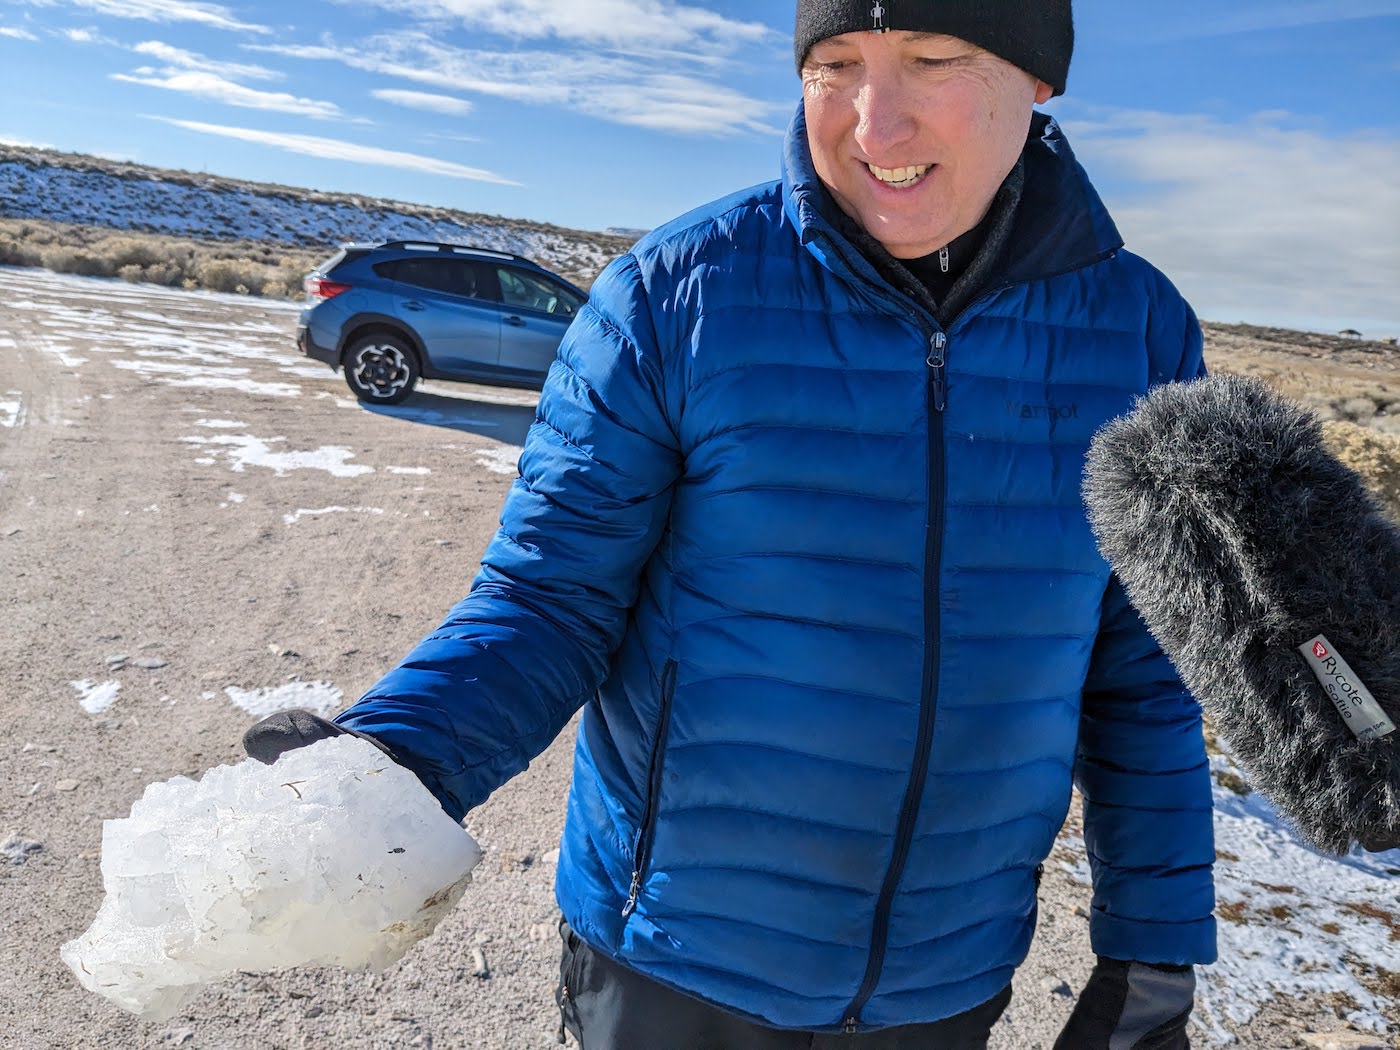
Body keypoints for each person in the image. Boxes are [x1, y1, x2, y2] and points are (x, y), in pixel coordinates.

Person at [246, 2, 1218, 1046]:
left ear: (1037, 82)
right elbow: (550, 599)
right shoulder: (671, 299)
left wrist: (1151, 952)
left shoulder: (1140, 334)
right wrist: (393, 764)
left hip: (946, 978)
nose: (870, 124)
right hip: (673, 967)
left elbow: (1141, 671)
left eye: (931, 60)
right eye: (833, 65)